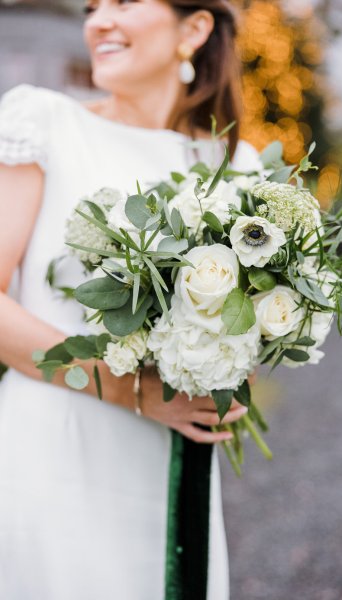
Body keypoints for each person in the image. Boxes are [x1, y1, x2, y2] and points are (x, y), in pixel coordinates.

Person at [0, 1, 262, 598]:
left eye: (123, 2)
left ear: (193, 28)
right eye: (92, 7)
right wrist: (134, 390)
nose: (97, 21)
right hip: (56, 442)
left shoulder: (235, 164)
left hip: (173, 457)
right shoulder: (43, 122)